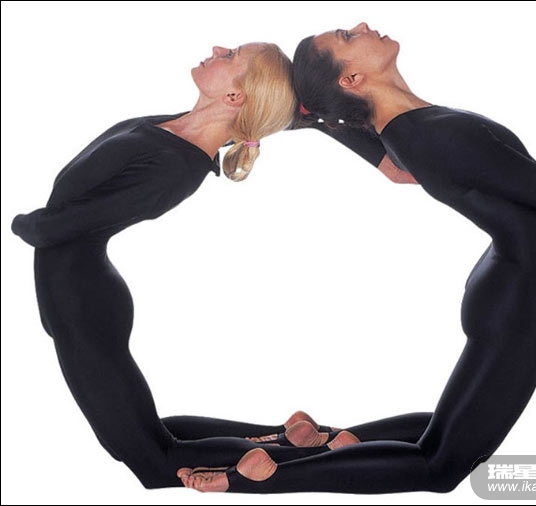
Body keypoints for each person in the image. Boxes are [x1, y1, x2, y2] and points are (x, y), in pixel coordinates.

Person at [179, 23, 536, 493]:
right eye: (348, 37)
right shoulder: (432, 134)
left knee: (446, 430)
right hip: (519, 296)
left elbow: (397, 172)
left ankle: (326, 441)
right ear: (352, 80)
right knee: (441, 467)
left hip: (510, 284)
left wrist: (308, 114)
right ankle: (257, 479)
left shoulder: (406, 128)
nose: (364, 27)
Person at [11, 41, 357, 489]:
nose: (217, 48)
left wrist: (13, 221)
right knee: (145, 437)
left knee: (151, 462)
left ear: (234, 96)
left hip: (83, 305)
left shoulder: (177, 166)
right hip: (76, 297)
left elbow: (53, 228)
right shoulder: (174, 128)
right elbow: (274, 114)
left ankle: (327, 456)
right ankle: (289, 438)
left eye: (230, 56)